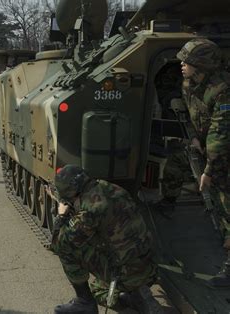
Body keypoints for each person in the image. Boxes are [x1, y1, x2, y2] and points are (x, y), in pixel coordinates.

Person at [161, 38, 230, 287]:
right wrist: (193, 139)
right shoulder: (190, 85)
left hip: (223, 154)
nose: (181, 64)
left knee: (224, 208)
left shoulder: (223, 90)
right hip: (209, 148)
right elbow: (193, 119)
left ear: (201, 65)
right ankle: (167, 202)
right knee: (177, 163)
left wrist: (209, 172)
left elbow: (221, 135)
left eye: (186, 61)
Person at [49, 165, 157, 313]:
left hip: (125, 273)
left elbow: (58, 244)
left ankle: (85, 302)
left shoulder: (89, 210)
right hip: (148, 267)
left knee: (68, 252)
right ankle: (136, 294)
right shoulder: (113, 188)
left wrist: (61, 216)